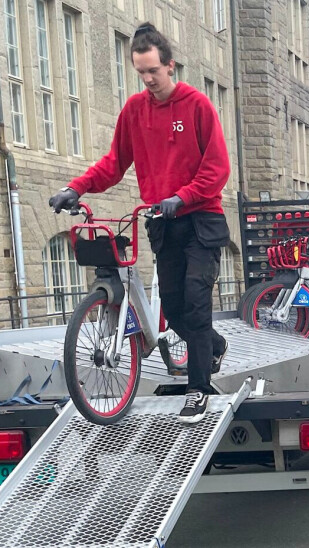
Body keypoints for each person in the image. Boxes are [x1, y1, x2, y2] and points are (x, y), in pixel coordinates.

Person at [49, 23, 229, 424]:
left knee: (196, 302)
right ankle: (213, 345)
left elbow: (217, 169)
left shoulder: (197, 105)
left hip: (201, 219)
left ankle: (197, 390)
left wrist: (182, 196)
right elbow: (115, 163)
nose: (148, 80)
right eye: (141, 73)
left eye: (153, 71)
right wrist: (75, 188)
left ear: (170, 65)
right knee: (176, 309)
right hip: (163, 224)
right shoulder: (135, 111)